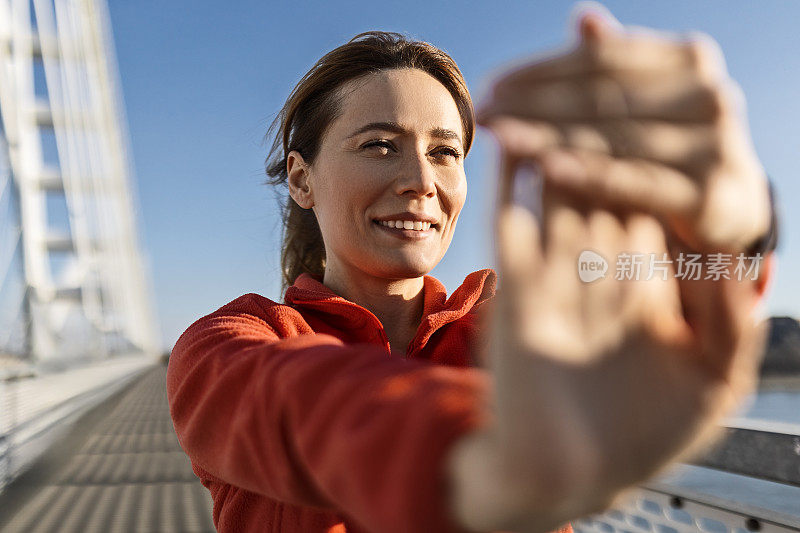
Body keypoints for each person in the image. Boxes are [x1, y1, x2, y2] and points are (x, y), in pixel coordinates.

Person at [166, 6, 777, 533]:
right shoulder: (226, 349)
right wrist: (496, 461)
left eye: (445, 152)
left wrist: (732, 225)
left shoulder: (510, 328)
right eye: (379, 145)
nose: (421, 181)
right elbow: (313, 409)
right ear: (301, 178)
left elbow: (675, 289)